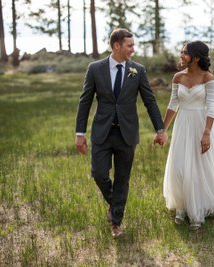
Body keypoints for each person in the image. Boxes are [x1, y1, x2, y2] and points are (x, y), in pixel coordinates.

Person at [75, 28, 167, 238]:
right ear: (116, 46)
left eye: (133, 45)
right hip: (102, 132)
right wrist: (79, 133)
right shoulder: (95, 69)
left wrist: (160, 129)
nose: (133, 50)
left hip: (127, 133)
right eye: (129, 46)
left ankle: (116, 222)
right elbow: (85, 101)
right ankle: (115, 202)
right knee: (99, 174)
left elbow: (149, 100)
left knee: (122, 179)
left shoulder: (138, 70)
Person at [162, 41, 214, 230]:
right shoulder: (177, 77)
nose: (181, 56)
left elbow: (211, 107)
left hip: (201, 125)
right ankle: (181, 208)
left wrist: (207, 133)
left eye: (185, 53)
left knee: (199, 167)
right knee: (179, 166)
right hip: (182, 125)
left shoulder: (208, 78)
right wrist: (162, 130)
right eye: (181, 52)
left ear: (196, 57)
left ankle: (197, 211)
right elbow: (173, 104)